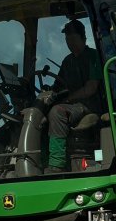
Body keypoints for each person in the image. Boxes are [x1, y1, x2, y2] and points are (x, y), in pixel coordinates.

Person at [40, 19, 102, 173]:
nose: (69, 42)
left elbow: (90, 88)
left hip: (90, 104)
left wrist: (68, 99)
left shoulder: (94, 56)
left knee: (57, 112)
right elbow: (57, 86)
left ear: (83, 38)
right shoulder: (67, 61)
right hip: (74, 105)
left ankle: (57, 164)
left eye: (72, 38)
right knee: (42, 112)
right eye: (67, 39)